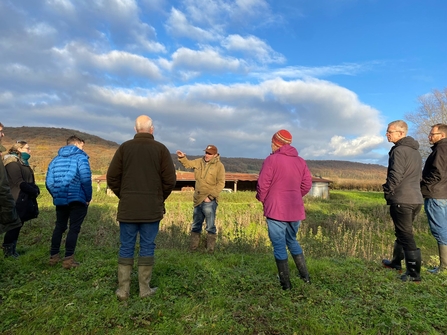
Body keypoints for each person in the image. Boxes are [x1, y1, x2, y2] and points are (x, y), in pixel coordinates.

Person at [107, 115, 176, 301]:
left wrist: (125, 195)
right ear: (151, 129)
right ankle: (144, 290)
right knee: (147, 246)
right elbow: (170, 180)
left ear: (135, 129)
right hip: (151, 209)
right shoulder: (161, 149)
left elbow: (112, 177)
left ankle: (123, 291)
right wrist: (158, 198)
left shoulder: (124, 148)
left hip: (128, 208)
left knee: (126, 246)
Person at [256, 130, 312, 290]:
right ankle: (305, 277)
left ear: (276, 143)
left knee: (279, 245)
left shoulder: (271, 160)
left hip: (276, 210)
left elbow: (262, 184)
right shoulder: (301, 162)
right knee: (292, 240)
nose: (271, 145)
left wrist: (263, 199)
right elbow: (307, 184)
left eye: (272, 143)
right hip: (295, 209)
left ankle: (286, 284)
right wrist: (295, 195)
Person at [382, 120, 423, 282]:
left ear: (401, 133)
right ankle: (395, 263)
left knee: (406, 235)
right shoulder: (415, 152)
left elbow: (395, 175)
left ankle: (414, 274)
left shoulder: (399, 151)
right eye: (387, 131)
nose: (387, 134)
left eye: (390, 131)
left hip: (402, 199)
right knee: (402, 231)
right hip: (415, 199)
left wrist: (388, 191)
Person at [46, 135, 92, 269]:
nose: (83, 148)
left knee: (59, 227)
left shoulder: (55, 160)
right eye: (82, 145)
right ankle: (68, 259)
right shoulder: (81, 158)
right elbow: (85, 180)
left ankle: (53, 257)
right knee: (74, 228)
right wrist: (88, 197)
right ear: (78, 144)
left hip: (60, 199)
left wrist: (56, 194)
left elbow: (49, 182)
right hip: (77, 199)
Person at [176, 144, 225, 253]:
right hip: (198, 200)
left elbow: (221, 183)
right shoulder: (199, 161)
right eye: (206, 153)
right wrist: (182, 157)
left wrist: (210, 197)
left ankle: (210, 251)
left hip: (209, 201)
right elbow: (188, 164)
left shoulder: (219, 166)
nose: (207, 155)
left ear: (215, 155)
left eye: (209, 154)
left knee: (210, 226)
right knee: (196, 225)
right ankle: (193, 250)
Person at [2, 141, 40, 257]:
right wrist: (33, 190)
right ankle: (8, 250)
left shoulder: (23, 163)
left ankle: (13, 249)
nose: (30, 151)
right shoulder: (12, 163)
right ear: (19, 149)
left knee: (19, 224)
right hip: (16, 197)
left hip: (25, 197)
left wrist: (35, 188)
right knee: (14, 224)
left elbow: (28, 180)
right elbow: (18, 182)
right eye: (27, 149)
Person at [421, 123, 447, 274]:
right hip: (443, 193)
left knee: (440, 229)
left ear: (442, 135)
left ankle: (444, 266)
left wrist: (422, 184)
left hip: (436, 194)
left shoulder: (441, 149)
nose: (429, 137)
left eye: (432, 134)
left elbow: (437, 173)